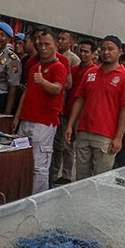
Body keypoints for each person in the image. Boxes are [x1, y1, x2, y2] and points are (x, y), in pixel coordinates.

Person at [65, 35, 125, 180]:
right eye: (103, 49)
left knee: (100, 179)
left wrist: (118, 138)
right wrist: (70, 125)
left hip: (106, 136)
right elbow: (80, 100)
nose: (106, 52)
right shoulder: (90, 73)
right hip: (84, 132)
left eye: (110, 49)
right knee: (81, 178)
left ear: (119, 51)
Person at [13, 28, 68, 193]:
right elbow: (27, 92)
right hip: (26, 119)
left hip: (44, 122)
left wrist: (43, 82)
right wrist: (17, 116)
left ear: (56, 46)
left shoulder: (59, 67)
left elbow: (58, 89)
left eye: (47, 44)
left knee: (39, 166)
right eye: (41, 44)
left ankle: (38, 198)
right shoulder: (34, 66)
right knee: (21, 162)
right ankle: (21, 194)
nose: (43, 47)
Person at [55, 38, 96, 184]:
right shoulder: (73, 70)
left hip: (84, 116)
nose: (83, 54)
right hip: (68, 112)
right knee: (66, 145)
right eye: (81, 51)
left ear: (93, 54)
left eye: (87, 52)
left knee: (82, 149)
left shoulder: (94, 72)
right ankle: (65, 175)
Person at [0, 22, 22, 114]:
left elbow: (13, 87)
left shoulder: (12, 59)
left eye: (2, 35)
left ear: (9, 39)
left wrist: (7, 112)